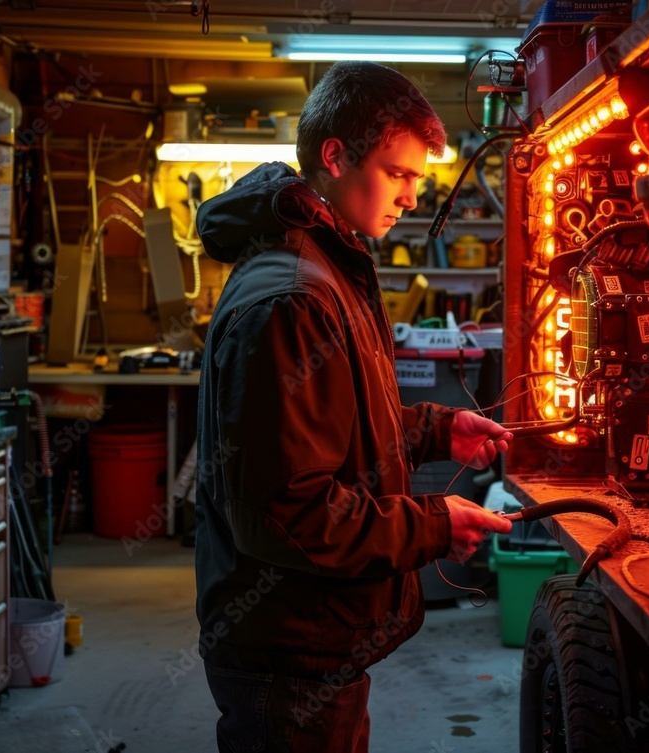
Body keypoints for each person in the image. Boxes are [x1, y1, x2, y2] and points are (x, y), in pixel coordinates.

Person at [193, 61, 513, 753]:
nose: (411, 196)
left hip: (317, 629)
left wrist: (437, 429)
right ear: (335, 156)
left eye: (419, 180)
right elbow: (291, 514)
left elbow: (327, 427)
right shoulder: (294, 298)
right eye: (397, 173)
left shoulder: (326, 263)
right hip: (287, 642)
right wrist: (432, 524)